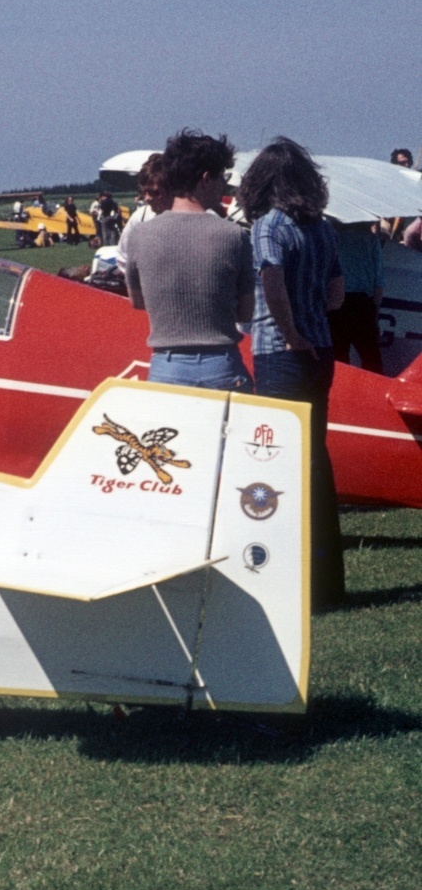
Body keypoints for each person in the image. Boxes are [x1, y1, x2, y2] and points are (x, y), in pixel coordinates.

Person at [238, 137, 346, 608]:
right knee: (315, 459)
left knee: (279, 461)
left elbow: (270, 281)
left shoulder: (268, 226)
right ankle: (325, 581)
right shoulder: (322, 227)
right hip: (321, 351)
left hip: (280, 352)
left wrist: (290, 330)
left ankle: (286, 576)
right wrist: (314, 319)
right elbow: (338, 292)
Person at [122, 129, 255, 391]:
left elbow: (138, 301)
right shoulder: (234, 236)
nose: (223, 185)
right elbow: (245, 311)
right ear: (206, 179)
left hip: (166, 367)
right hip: (222, 366)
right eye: (222, 177)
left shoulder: (140, 234)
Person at [332, 221, 385, 373]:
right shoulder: (371, 240)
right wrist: (374, 315)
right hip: (362, 305)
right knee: (372, 360)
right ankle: (373, 393)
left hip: (337, 302)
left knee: (339, 359)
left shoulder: (332, 238)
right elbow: (379, 284)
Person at [115, 153, 167, 275]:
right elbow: (123, 256)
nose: (147, 198)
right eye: (143, 192)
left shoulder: (187, 216)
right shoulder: (140, 216)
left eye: (154, 192)